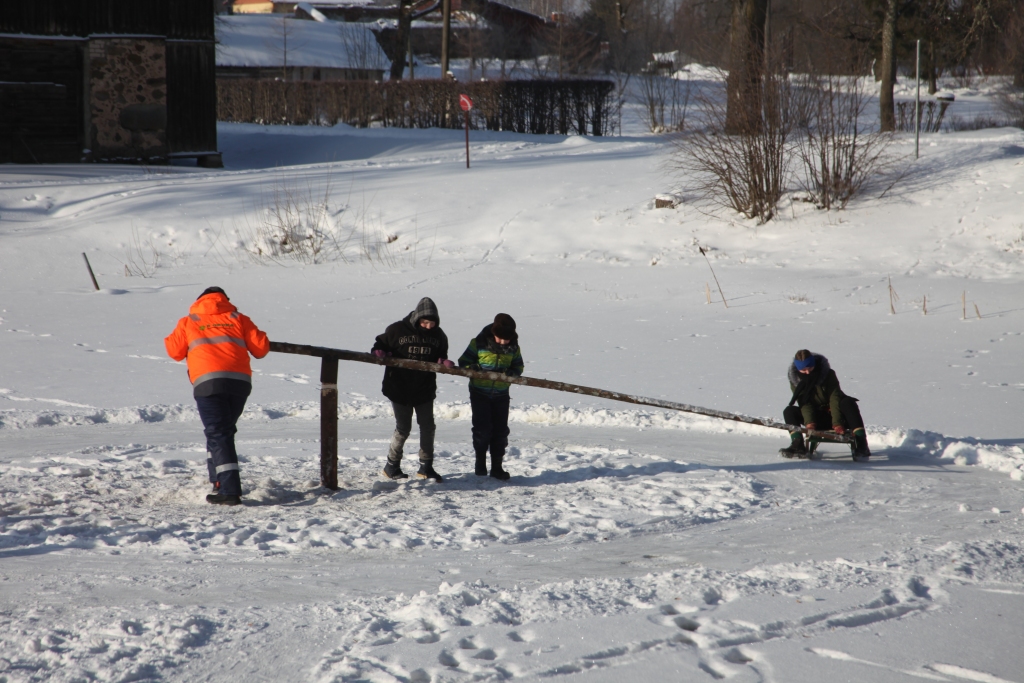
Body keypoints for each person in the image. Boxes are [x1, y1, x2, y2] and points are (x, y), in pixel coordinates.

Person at [164, 287, 270, 505]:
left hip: (208, 382)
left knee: (219, 433)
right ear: (225, 300)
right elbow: (260, 348)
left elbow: (174, 351)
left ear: (199, 300)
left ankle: (229, 490)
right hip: (239, 382)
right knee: (221, 432)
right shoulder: (238, 318)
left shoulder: (188, 321)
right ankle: (219, 482)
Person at [372, 297, 452, 482]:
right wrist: (379, 352)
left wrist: (441, 361)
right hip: (398, 387)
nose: (428, 326)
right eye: (425, 322)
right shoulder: (396, 330)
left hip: (424, 388)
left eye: (432, 323)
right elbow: (380, 344)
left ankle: (426, 467)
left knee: (428, 427)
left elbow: (440, 355)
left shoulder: (439, 335)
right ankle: (391, 465)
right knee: (403, 427)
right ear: (417, 318)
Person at [458, 314, 524, 480]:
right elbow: (463, 361)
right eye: (500, 338)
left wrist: (513, 373)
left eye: (506, 339)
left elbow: (518, 365)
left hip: (501, 394)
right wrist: (471, 367)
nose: (502, 342)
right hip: (480, 393)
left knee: (500, 431)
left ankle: (497, 467)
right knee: (482, 429)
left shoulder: (514, 347)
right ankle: (480, 463)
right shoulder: (478, 343)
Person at [780, 349, 870, 461]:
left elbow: (834, 398)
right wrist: (810, 423)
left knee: (847, 402)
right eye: (803, 370)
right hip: (818, 417)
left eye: (810, 368)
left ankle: (862, 444)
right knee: (789, 411)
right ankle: (797, 444)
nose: (808, 372)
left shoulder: (828, 374)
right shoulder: (796, 381)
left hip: (838, 416)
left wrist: (837, 423)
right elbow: (805, 402)